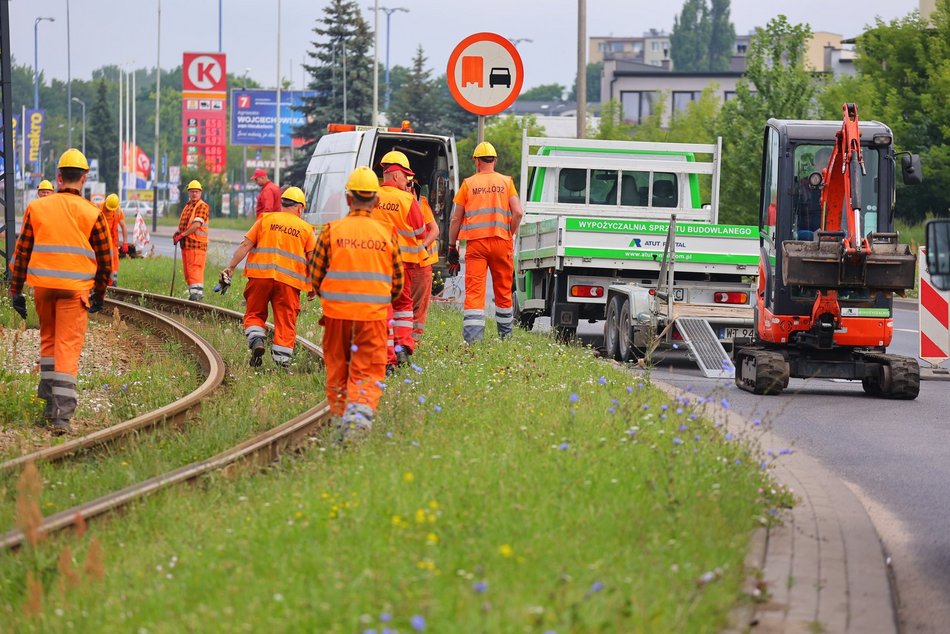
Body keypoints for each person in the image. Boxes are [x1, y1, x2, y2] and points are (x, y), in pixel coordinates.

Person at [7, 149, 113, 434]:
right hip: (74, 291)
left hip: (42, 288)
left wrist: (15, 290)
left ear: (58, 176)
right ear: (85, 177)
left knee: (49, 341)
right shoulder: (93, 212)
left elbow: (22, 252)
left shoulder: (37, 208)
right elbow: (106, 261)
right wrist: (99, 295)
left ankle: (48, 402)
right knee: (67, 347)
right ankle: (61, 416)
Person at [309, 166, 404, 441]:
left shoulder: (331, 231)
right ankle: (358, 423)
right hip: (372, 318)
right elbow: (397, 283)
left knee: (338, 369)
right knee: (367, 370)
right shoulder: (387, 233)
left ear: (348, 199)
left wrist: (332, 297)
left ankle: (341, 422)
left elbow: (316, 276)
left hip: (337, 316)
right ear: (375, 201)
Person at [219, 186, 317, 368]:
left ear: (282, 204)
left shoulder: (266, 220)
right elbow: (314, 260)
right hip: (289, 283)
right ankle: (282, 364)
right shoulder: (306, 229)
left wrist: (230, 267)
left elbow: (245, 245)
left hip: (260, 277)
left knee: (255, 313)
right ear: (300, 208)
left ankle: (256, 339)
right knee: (285, 321)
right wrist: (314, 286)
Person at [448, 141, 524, 343]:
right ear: (495, 160)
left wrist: (451, 245)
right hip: (501, 241)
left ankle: (473, 340)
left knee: (475, 291)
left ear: (476, 161)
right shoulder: (506, 182)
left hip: (476, 244)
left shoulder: (468, 184)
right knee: (503, 290)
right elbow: (518, 212)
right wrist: (510, 232)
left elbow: (456, 218)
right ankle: (505, 337)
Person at [376, 150, 426, 368]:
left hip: (376, 264)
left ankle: (387, 356)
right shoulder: (407, 200)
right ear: (396, 175)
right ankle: (403, 346)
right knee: (403, 305)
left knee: (382, 307)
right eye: (406, 175)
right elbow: (421, 233)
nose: (407, 180)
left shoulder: (371, 198)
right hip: (402, 264)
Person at [409, 179, 440, 345]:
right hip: (408, 263)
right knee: (406, 307)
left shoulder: (421, 204)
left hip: (421, 263)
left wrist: (421, 246)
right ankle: (405, 343)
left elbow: (434, 230)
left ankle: (412, 344)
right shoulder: (399, 202)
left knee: (417, 308)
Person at [173, 180, 210, 301]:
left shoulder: (202, 206)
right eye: (192, 191)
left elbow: (196, 225)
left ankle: (197, 297)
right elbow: (184, 223)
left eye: (197, 192)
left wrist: (182, 235)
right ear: (189, 192)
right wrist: (177, 233)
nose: (195, 194)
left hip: (197, 245)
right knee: (189, 272)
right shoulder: (188, 206)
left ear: (200, 192)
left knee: (195, 270)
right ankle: (193, 295)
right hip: (187, 245)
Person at [99, 193, 128, 286]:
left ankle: (113, 283)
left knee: (114, 262)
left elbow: (123, 226)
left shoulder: (118, 211)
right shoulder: (99, 208)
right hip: (101, 240)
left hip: (112, 241)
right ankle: (101, 283)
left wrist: (125, 242)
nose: (109, 210)